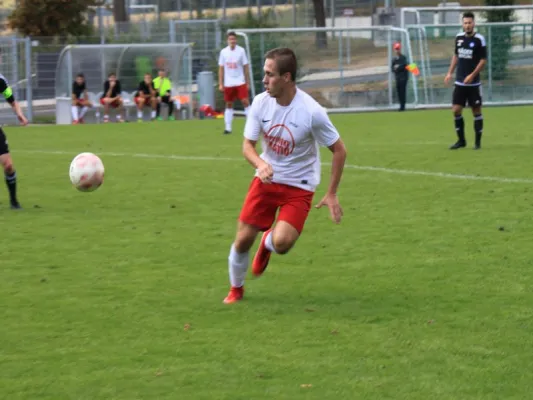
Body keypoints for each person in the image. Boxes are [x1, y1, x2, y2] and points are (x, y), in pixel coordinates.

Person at [223, 47, 347, 304]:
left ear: (287, 77)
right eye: (264, 73)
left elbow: (339, 150)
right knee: (242, 239)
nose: (264, 80)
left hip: (299, 186)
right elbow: (247, 146)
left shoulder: (312, 112)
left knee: (282, 244)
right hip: (266, 180)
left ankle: (267, 242)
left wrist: (332, 193)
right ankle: (236, 290)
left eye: (270, 74)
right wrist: (260, 163)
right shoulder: (260, 103)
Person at [445, 11, 487, 150]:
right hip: (459, 82)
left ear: (474, 24)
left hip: (473, 83)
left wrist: (472, 75)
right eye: (465, 23)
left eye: (470, 23)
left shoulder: (479, 39)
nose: (467, 25)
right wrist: (450, 72)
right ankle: (461, 141)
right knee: (456, 110)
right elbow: (456, 56)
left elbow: (483, 60)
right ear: (462, 24)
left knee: (476, 111)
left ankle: (477, 143)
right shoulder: (458, 38)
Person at [0, 73, 28, 209]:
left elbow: (11, 99)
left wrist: (19, 113)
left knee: (8, 166)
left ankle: (13, 202)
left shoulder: (1, 80)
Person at [218, 31, 251, 135]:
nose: (232, 41)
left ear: (236, 40)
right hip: (228, 83)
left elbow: (245, 66)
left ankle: (251, 126)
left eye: (234, 39)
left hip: (240, 81)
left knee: (245, 101)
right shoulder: (223, 52)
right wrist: (221, 83)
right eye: (230, 39)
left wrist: (247, 82)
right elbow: (221, 68)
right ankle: (228, 128)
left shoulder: (241, 51)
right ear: (227, 41)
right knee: (228, 104)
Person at [391, 42, 409, 112]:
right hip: (397, 78)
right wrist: (395, 68)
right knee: (399, 92)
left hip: (403, 78)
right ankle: (401, 105)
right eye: (396, 49)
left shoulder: (403, 57)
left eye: (398, 49)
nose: (397, 50)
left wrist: (398, 67)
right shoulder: (394, 59)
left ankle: (403, 106)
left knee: (402, 91)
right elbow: (392, 68)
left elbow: (404, 66)